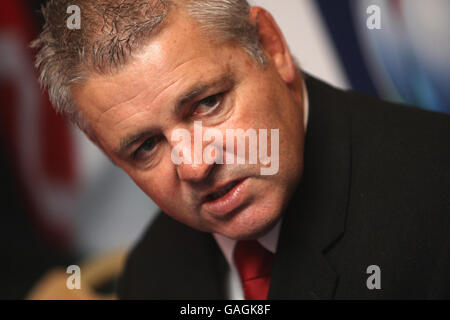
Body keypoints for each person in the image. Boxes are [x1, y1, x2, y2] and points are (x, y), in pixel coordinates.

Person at [32, 0, 449, 299]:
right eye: (146, 146)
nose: (195, 165)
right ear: (106, 151)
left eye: (208, 104)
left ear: (270, 45)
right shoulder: (150, 274)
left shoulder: (437, 198)